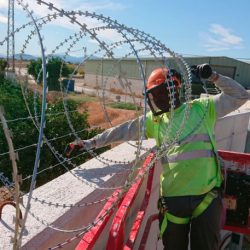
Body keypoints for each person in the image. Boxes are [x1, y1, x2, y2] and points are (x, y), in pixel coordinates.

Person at [66, 64, 249, 250]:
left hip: (207, 197)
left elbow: (240, 96)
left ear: (174, 89)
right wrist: (91, 142)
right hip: (173, 201)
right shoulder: (155, 121)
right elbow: (124, 130)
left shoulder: (202, 109)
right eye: (154, 94)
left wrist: (213, 76)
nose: (158, 98)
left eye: (162, 92)